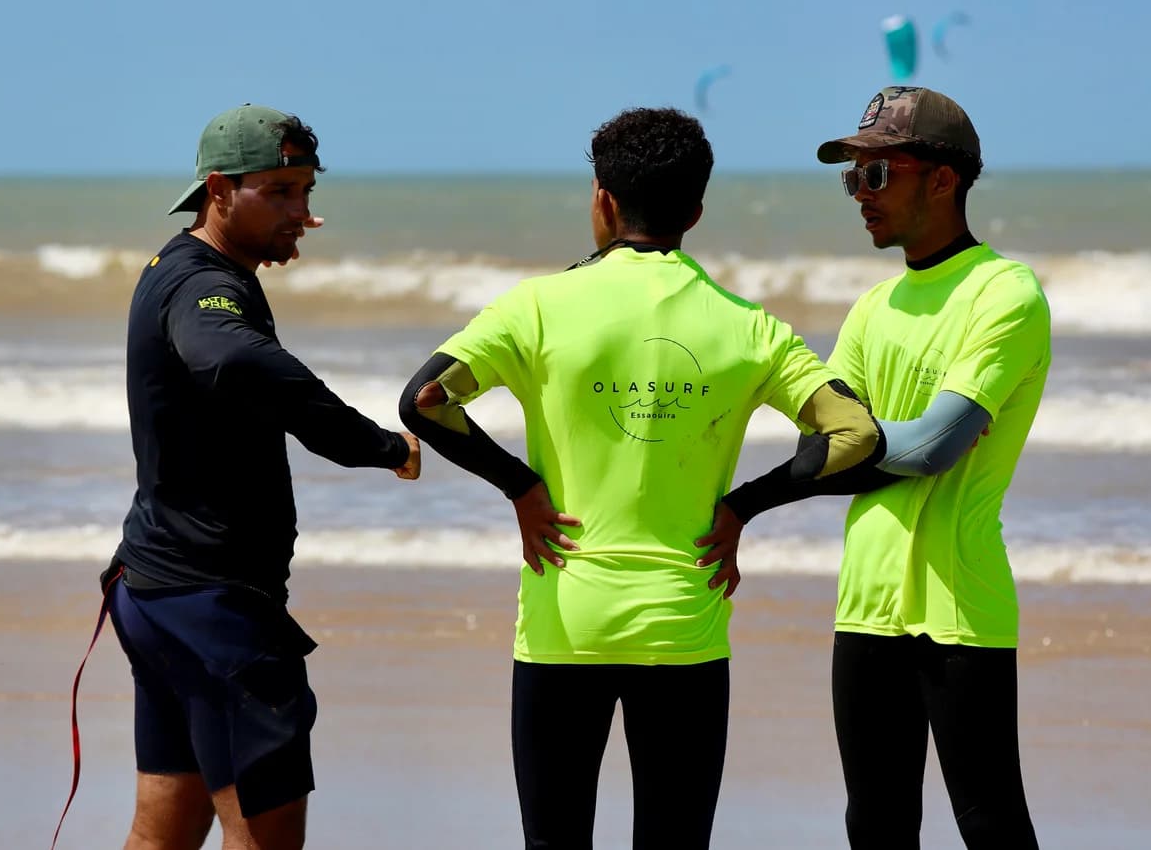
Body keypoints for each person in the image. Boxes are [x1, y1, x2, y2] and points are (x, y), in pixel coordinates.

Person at [398, 107, 882, 850]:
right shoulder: (748, 325)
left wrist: (520, 487)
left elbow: (424, 401)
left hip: (566, 624)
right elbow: (855, 438)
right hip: (684, 627)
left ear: (603, 198)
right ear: (695, 210)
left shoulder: (536, 307)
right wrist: (744, 505)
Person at [715, 86, 1049, 849]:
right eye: (850, 178)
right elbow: (835, 447)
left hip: (960, 605)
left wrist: (835, 454)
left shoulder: (1005, 293)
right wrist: (741, 505)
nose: (859, 195)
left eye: (877, 174)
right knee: (875, 823)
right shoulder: (872, 307)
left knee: (990, 822)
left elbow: (935, 446)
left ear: (942, 178)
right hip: (864, 604)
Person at [102, 104, 421, 850]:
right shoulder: (201, 284)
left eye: (307, 191)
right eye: (279, 192)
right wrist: (373, 443)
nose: (303, 214)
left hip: (156, 590)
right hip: (216, 612)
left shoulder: (181, 267)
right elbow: (233, 358)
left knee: (167, 828)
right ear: (219, 189)